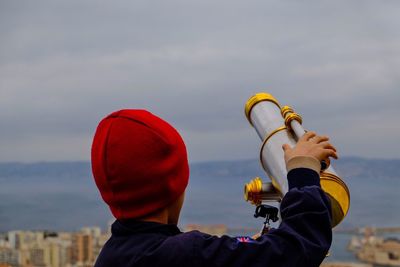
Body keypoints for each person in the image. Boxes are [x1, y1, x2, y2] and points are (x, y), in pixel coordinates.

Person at [91, 109, 337, 267]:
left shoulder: (111, 256)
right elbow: (299, 248)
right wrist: (303, 171)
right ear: (175, 184)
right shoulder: (186, 255)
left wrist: (247, 251)